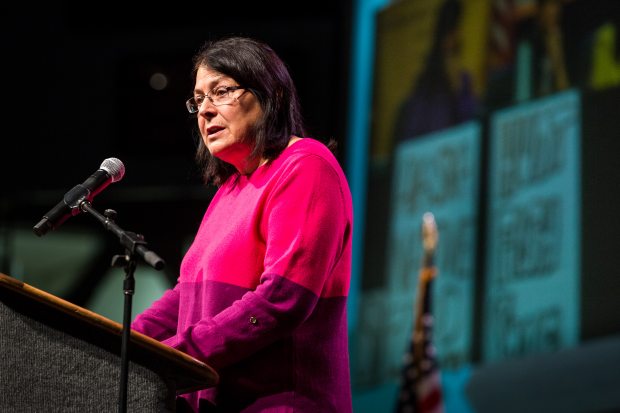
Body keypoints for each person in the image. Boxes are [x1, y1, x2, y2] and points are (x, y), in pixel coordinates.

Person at [131, 36, 354, 413]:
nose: (205, 111)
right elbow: (186, 298)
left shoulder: (305, 166)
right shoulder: (231, 188)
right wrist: (121, 345)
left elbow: (283, 300)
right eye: (198, 100)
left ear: (272, 96)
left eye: (220, 92)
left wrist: (173, 358)